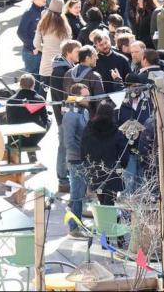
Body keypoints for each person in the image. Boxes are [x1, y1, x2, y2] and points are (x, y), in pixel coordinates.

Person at [81, 102, 128, 205]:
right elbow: (123, 153)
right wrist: (123, 165)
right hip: (113, 171)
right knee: (110, 201)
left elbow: (83, 148)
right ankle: (109, 219)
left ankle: (103, 219)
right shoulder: (116, 132)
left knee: (101, 200)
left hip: (95, 170)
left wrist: (86, 162)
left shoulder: (88, 130)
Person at [62, 83, 91, 236]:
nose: (88, 98)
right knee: (77, 194)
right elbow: (69, 141)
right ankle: (73, 227)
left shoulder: (84, 111)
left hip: (84, 158)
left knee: (81, 193)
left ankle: (77, 221)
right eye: (85, 96)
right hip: (76, 159)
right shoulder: (70, 115)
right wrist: (82, 153)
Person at [6, 74, 51, 155]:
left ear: (20, 85)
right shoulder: (39, 99)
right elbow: (45, 119)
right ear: (33, 85)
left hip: (15, 139)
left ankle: (30, 155)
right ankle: (32, 154)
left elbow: (10, 122)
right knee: (49, 120)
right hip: (33, 139)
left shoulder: (10, 101)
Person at [34, 0, 71, 90]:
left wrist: (45, 49)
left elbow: (36, 44)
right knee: (60, 95)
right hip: (61, 64)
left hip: (46, 63)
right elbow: (68, 45)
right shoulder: (65, 26)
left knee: (42, 94)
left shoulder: (42, 23)